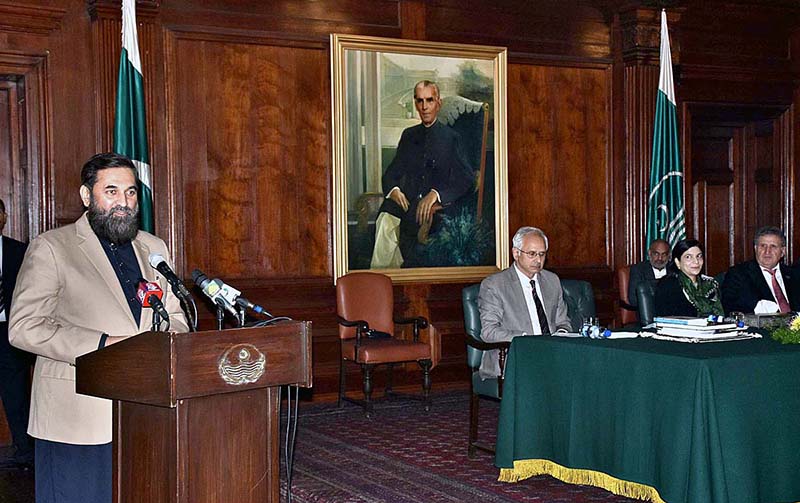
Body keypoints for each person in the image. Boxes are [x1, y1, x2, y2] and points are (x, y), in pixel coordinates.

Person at [8, 153, 189, 503]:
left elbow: (176, 315)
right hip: (77, 415)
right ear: (87, 196)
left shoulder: (153, 247)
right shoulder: (51, 247)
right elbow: (24, 327)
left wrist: (166, 346)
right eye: (112, 191)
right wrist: (105, 344)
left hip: (144, 412)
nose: (123, 202)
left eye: (131, 192)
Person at [370, 80, 474, 269]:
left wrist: (436, 194)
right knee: (385, 219)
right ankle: (382, 280)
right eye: (420, 101)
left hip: (437, 211)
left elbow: (466, 179)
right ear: (415, 103)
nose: (424, 107)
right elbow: (391, 173)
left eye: (429, 100)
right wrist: (393, 190)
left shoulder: (452, 138)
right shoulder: (408, 135)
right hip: (408, 205)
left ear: (438, 103)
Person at [477, 226, 571, 379]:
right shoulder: (495, 285)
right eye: (532, 254)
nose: (538, 260)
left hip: (552, 354)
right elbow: (489, 332)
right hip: (514, 357)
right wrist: (526, 339)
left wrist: (560, 335)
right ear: (516, 253)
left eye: (542, 254)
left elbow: (563, 322)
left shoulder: (552, 281)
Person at [0, 198, 33, 470]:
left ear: (4, 217)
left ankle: (24, 450)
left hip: (9, 331)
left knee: (16, 394)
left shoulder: (20, 252)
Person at [721, 226, 800, 315]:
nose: (767, 251)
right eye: (763, 246)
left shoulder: (794, 274)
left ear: (783, 251)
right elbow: (730, 306)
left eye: (773, 246)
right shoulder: (739, 274)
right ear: (755, 249)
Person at [654, 238, 723, 318]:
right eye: (688, 257)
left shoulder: (710, 284)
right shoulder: (668, 285)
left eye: (699, 256)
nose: (696, 261)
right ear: (677, 262)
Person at [628, 239, 670, 310]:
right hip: (648, 312)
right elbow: (634, 300)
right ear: (649, 253)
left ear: (669, 255)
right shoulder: (638, 269)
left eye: (664, 254)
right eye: (656, 254)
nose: (660, 258)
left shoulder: (674, 269)